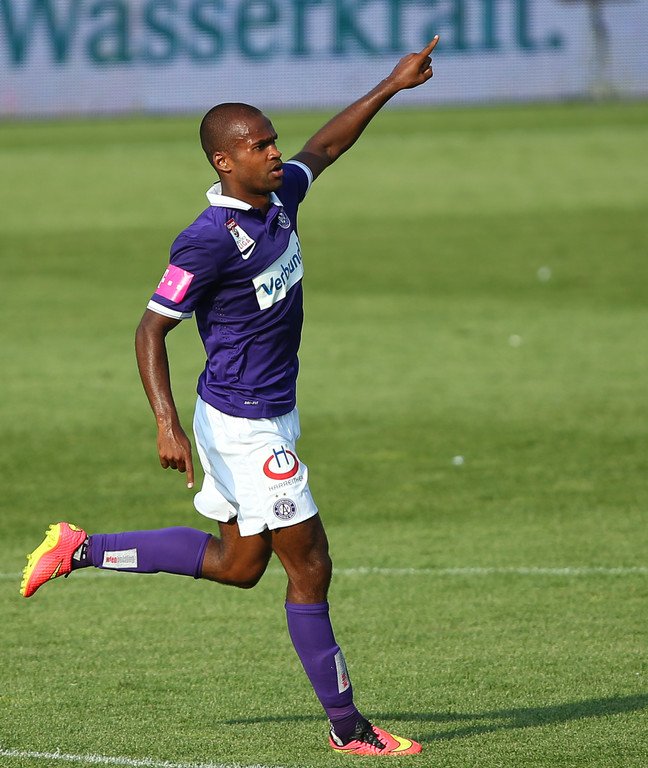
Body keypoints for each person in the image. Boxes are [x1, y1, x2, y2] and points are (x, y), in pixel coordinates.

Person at [21, 37, 439, 756]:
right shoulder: (207, 240)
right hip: (245, 426)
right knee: (310, 564)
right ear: (224, 161)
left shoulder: (279, 200)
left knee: (239, 567)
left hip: (263, 412)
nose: (276, 153)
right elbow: (151, 330)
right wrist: (165, 423)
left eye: (273, 141)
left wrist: (390, 85)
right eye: (260, 145)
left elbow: (326, 147)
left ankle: (80, 549)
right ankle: (349, 729)